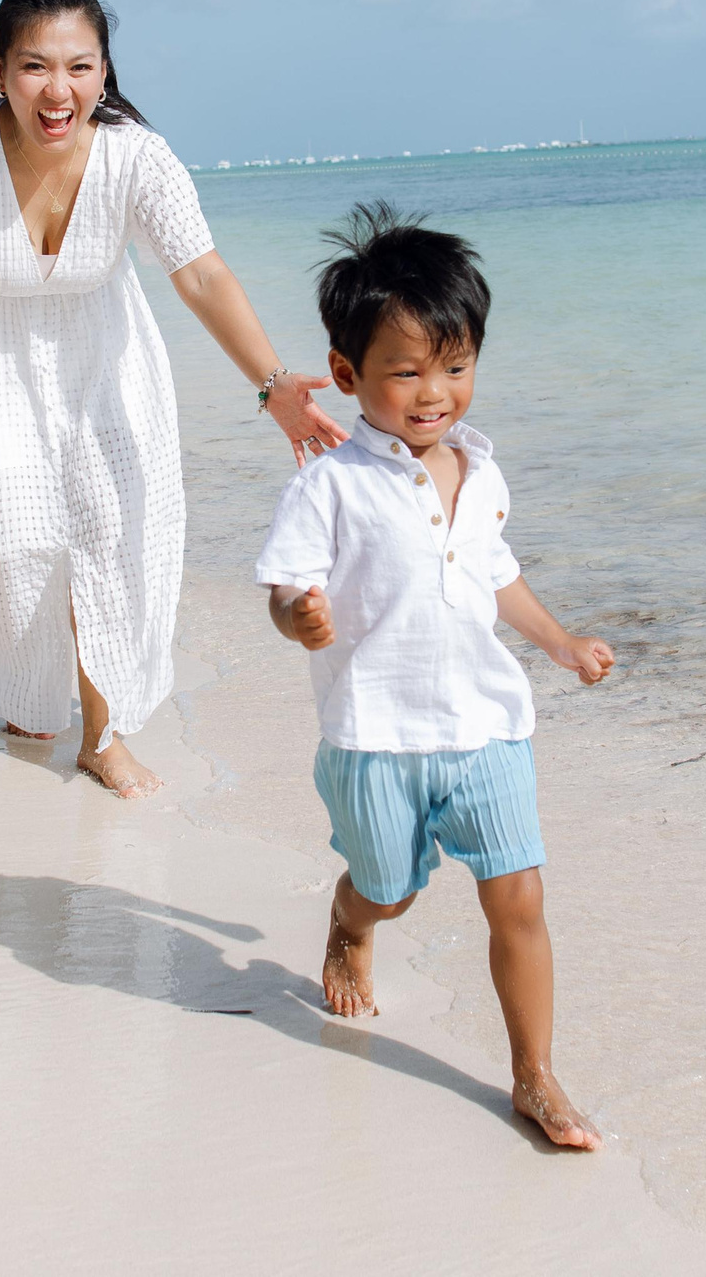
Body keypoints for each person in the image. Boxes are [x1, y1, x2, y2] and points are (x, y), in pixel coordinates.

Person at [0, 0, 345, 797]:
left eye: (81, 65)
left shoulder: (137, 156)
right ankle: (32, 691)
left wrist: (274, 383)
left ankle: (101, 734)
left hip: (105, 355)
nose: (59, 88)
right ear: (0, 70)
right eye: (36, 66)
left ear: (105, 72)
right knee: (12, 538)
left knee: (112, 535)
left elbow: (202, 275)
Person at [254, 203, 615, 1148]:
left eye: (454, 367)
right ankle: (349, 918)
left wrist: (563, 643)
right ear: (346, 374)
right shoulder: (329, 482)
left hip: (488, 726)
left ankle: (534, 1075)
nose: (433, 393)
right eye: (405, 371)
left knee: (520, 897)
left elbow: (495, 573)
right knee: (390, 886)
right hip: (377, 736)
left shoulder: (480, 472)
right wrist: (299, 616)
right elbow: (286, 588)